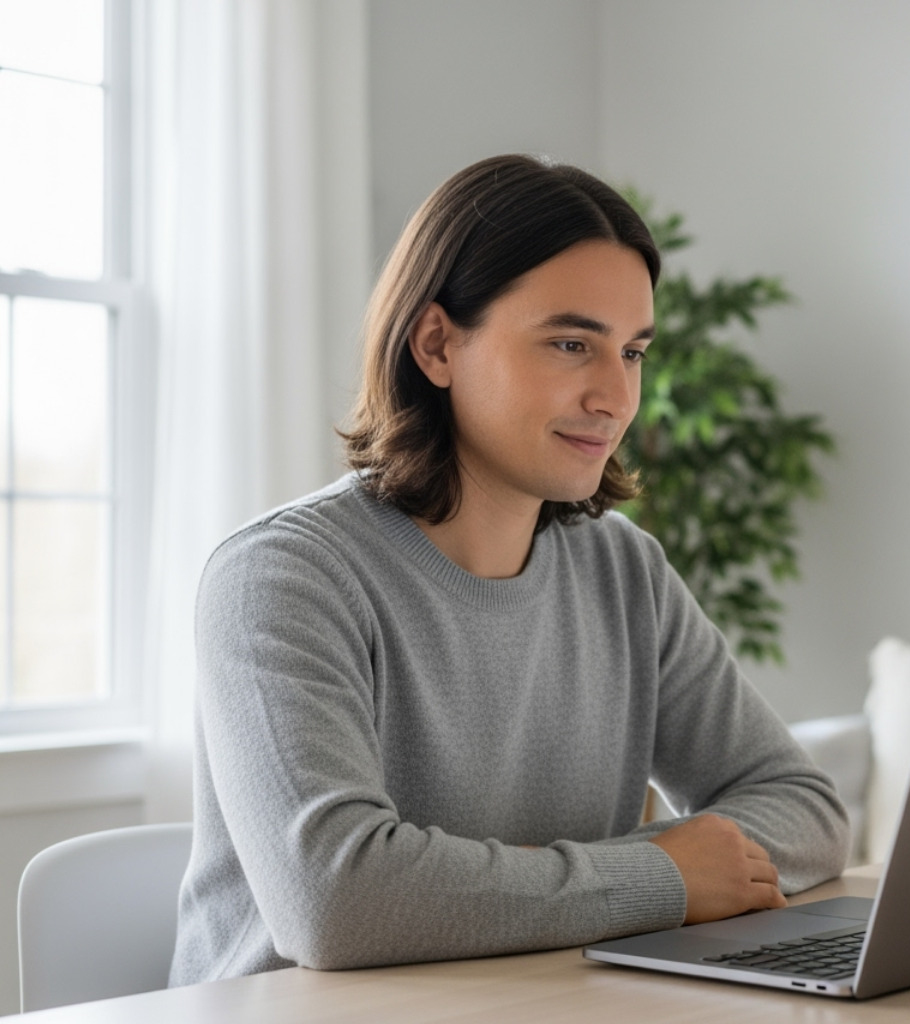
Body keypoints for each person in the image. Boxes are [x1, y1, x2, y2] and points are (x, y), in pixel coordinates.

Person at [169, 155, 850, 985]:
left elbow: (806, 810)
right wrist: (661, 873)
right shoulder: (280, 577)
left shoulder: (624, 570)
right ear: (436, 345)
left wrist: (529, 883)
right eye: (570, 344)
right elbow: (336, 900)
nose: (617, 397)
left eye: (633, 352)